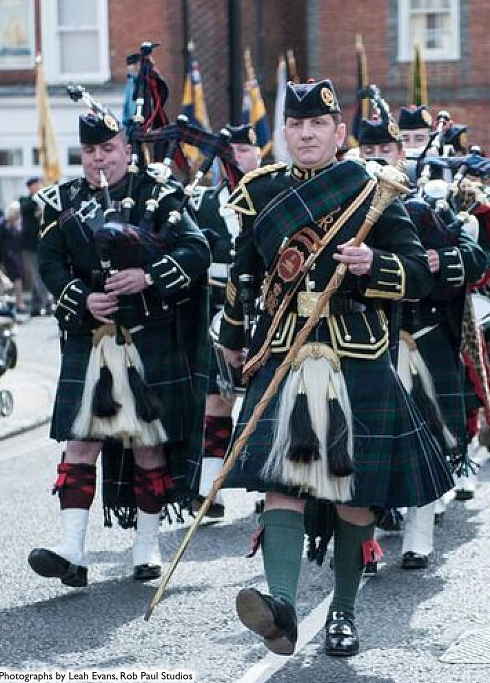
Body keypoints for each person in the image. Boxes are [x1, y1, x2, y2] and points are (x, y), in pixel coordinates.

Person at [219, 79, 454, 657]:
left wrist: (374, 265)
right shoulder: (262, 193)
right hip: (284, 352)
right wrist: (230, 337)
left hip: (357, 354)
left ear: (338, 132)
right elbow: (241, 274)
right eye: (296, 125)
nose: (306, 134)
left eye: (317, 125)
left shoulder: (374, 190)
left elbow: (420, 277)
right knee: (281, 482)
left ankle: (343, 613)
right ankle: (281, 608)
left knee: (356, 493)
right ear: (285, 133)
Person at [28, 97, 210, 588]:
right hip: (92, 339)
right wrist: (80, 298)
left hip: (150, 338)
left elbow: (198, 249)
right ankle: (71, 548)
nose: (98, 158)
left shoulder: (160, 194)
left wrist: (147, 276)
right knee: (79, 442)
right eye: (89, 150)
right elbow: (49, 263)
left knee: (148, 445)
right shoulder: (62, 203)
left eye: (107, 147)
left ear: (126, 149)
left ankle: (146, 547)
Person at [360, 112, 490, 567]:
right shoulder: (345, 210)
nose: (378, 159)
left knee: (428, 440)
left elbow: (476, 257)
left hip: (425, 337)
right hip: (368, 342)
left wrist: (441, 259)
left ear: (401, 154)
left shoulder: (425, 206)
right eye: (369, 152)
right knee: (370, 442)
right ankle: (369, 536)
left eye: (386, 151)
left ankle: (419, 537)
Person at [189, 122, 262, 519]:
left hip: (267, 310)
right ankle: (209, 490)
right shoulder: (201, 204)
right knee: (216, 400)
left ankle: (265, 486)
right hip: (217, 309)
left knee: (263, 401)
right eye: (230, 151)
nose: (237, 157)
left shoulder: (274, 195)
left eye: (245, 150)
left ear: (259, 154)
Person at [19, 177, 51, 316]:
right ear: (30, 187)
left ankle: (35, 307)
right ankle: (47, 302)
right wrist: (38, 196)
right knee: (37, 275)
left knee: (37, 275)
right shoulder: (26, 201)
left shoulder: (42, 201)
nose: (38, 187)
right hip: (30, 245)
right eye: (35, 185)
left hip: (42, 242)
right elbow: (27, 207)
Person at [0, 201, 25, 314]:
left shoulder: (16, 225)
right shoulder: (4, 224)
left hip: (16, 254)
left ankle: (17, 303)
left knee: (17, 279)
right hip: (8, 255)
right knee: (15, 279)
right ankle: (18, 303)